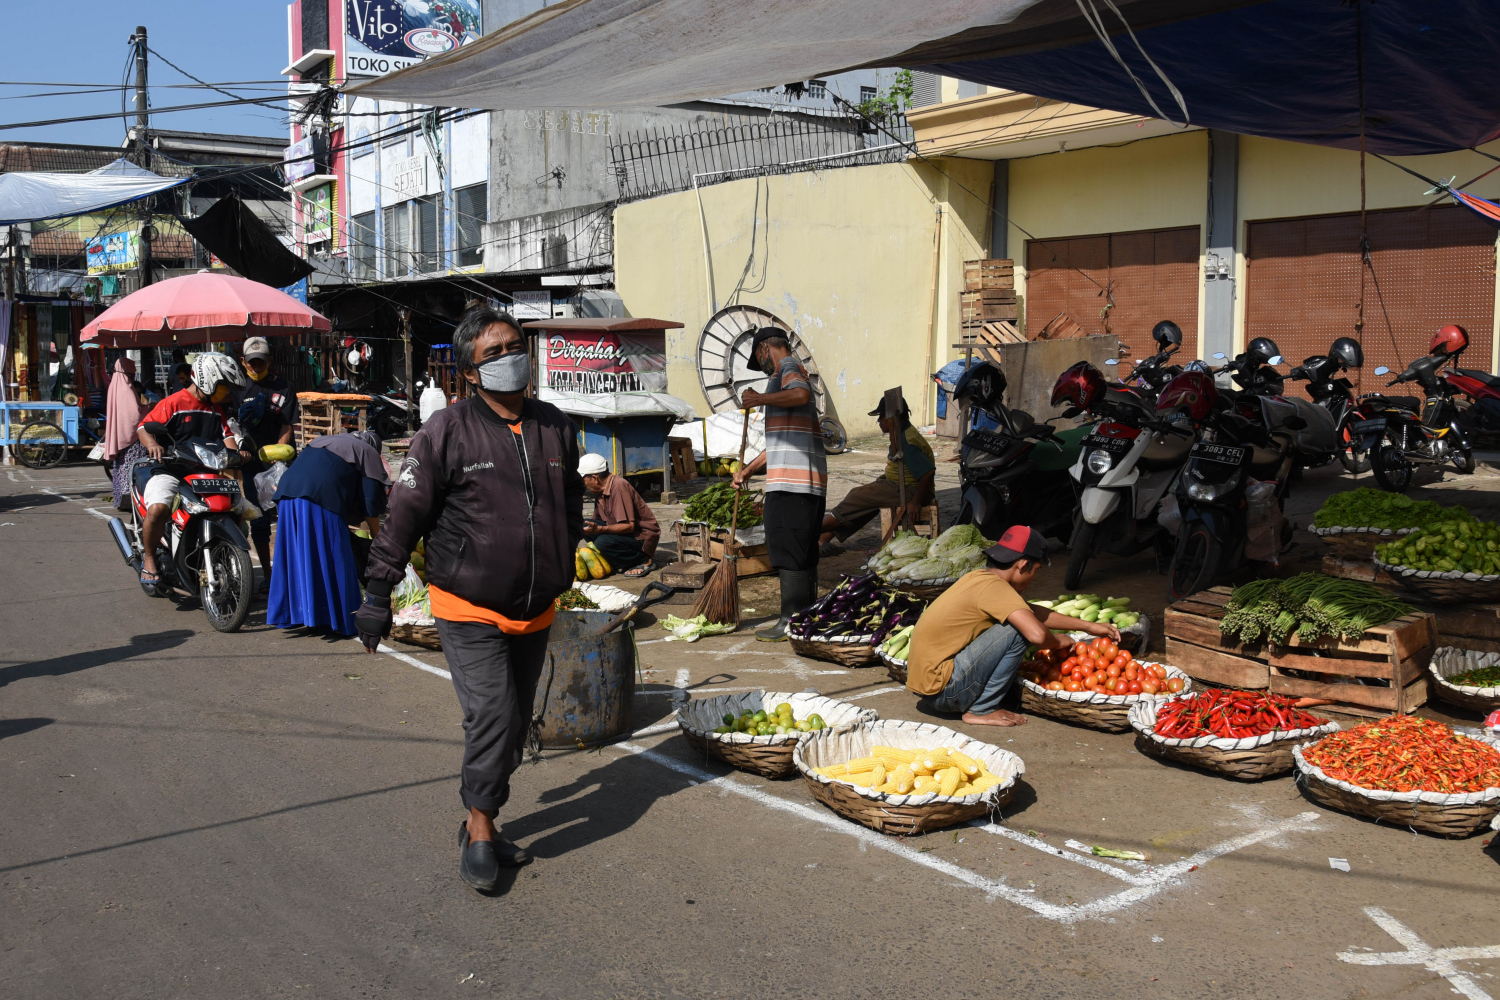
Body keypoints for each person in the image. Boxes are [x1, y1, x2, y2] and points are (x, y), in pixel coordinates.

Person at [356, 307, 584, 893]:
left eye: (516, 345)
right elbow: (404, 514)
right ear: (471, 374)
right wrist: (377, 593)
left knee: (513, 726)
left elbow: (568, 505)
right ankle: (480, 827)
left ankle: (481, 814)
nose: (512, 357)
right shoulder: (446, 432)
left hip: (536, 607)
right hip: (467, 603)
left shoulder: (556, 426)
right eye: (495, 352)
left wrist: (569, 558)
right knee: (492, 714)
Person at [905, 526, 1120, 727]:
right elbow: (1036, 633)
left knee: (1021, 621)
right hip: (946, 692)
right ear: (1023, 565)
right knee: (1019, 630)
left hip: (930, 691)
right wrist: (1057, 641)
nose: (1034, 577)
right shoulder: (996, 588)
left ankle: (978, 701)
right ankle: (982, 708)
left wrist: (1088, 626)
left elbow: (1031, 612)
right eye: (1035, 569)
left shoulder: (980, 578)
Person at [731, 327, 827, 641]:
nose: (761, 368)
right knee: (800, 550)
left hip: (794, 484)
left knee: (789, 549)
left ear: (764, 349)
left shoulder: (789, 368)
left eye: (759, 361)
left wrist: (760, 397)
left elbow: (801, 393)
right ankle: (806, 616)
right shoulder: (784, 376)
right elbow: (777, 446)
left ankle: (791, 619)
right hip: (796, 480)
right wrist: (747, 470)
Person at [135, 354, 248, 586]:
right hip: (171, 470)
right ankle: (149, 559)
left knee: (239, 515)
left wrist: (236, 454)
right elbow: (144, 428)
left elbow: (227, 436)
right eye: (222, 385)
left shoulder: (216, 410)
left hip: (204, 475)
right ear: (207, 379)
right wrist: (153, 444)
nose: (225, 391)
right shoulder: (174, 402)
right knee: (157, 510)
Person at [267, 430, 389, 636]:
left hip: (288, 494)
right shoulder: (367, 451)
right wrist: (379, 539)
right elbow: (370, 503)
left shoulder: (325, 440)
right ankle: (342, 619)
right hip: (320, 496)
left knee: (298, 557)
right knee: (335, 556)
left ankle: (301, 615)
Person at [818, 396, 934, 554]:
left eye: (881, 416)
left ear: (893, 417)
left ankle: (811, 531)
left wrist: (916, 502)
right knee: (865, 501)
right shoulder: (901, 433)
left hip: (910, 490)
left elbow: (928, 472)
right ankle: (822, 538)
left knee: (857, 497)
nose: (879, 421)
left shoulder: (908, 440)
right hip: (901, 485)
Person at [235, 336, 300, 586]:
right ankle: (269, 575)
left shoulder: (283, 386)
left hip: (279, 466)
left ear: (269, 361)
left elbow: (287, 424)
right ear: (243, 362)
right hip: (250, 465)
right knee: (259, 521)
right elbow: (231, 426)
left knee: (287, 517)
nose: (256, 366)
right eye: (252, 363)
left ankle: (291, 571)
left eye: (261, 362)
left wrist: (280, 454)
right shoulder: (236, 387)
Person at [579, 452, 660, 578]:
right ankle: (614, 560)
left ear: (595, 478)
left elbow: (629, 526)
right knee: (584, 525)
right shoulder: (599, 491)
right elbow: (596, 521)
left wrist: (600, 529)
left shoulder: (618, 486)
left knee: (603, 542)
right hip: (623, 532)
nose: (584, 485)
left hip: (641, 537)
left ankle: (642, 560)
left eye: (584, 480)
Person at [103, 357, 146, 510]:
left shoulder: (115, 384)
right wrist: (148, 408)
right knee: (132, 466)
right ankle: (131, 498)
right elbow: (134, 415)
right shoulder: (126, 387)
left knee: (121, 466)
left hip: (120, 435)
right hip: (131, 439)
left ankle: (121, 497)